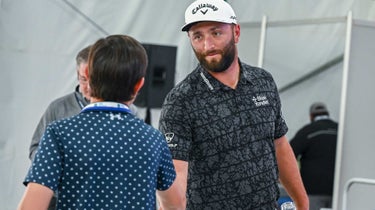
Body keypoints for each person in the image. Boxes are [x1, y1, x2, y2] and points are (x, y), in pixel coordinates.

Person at [158, 0, 309, 209]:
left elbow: (280, 145)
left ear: (236, 32)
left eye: (216, 33)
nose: (207, 45)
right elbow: (175, 179)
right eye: (198, 36)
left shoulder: (263, 82)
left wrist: (302, 202)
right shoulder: (180, 101)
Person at [18, 34, 183, 210]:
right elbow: (177, 204)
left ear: (88, 74)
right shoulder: (154, 140)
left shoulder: (59, 133)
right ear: (139, 85)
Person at [29, 45, 140, 161]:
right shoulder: (58, 108)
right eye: (83, 79)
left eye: (93, 80)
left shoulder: (128, 110)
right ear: (77, 75)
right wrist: (58, 163)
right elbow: (35, 148)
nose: (89, 87)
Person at [290, 102, 338, 210]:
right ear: (328, 114)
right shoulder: (340, 130)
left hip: (312, 190)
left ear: (311, 116)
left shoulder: (307, 131)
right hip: (338, 189)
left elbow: (289, 155)